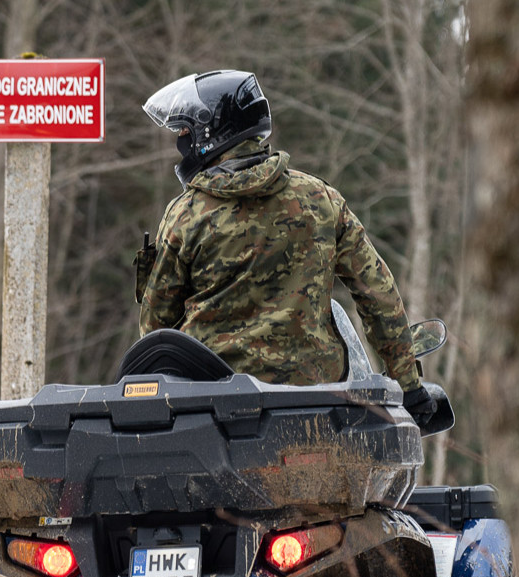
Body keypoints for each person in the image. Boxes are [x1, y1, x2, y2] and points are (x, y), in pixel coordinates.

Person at [135, 69, 435, 425]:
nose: (181, 143)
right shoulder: (321, 200)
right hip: (318, 404)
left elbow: (156, 327)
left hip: (212, 408)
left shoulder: (186, 215)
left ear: (210, 133)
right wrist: (409, 385)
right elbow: (378, 293)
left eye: (184, 133)